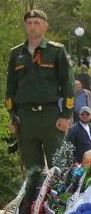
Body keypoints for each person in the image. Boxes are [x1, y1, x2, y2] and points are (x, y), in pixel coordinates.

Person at [4, 10, 74, 170]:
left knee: (59, 167)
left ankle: (58, 196)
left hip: (51, 117)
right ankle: (34, 196)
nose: (32, 26)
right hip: (25, 117)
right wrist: (12, 116)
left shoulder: (56, 51)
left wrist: (66, 115)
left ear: (45, 26)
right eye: (29, 23)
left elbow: (68, 84)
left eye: (37, 22)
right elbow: (10, 88)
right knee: (32, 169)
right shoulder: (16, 54)